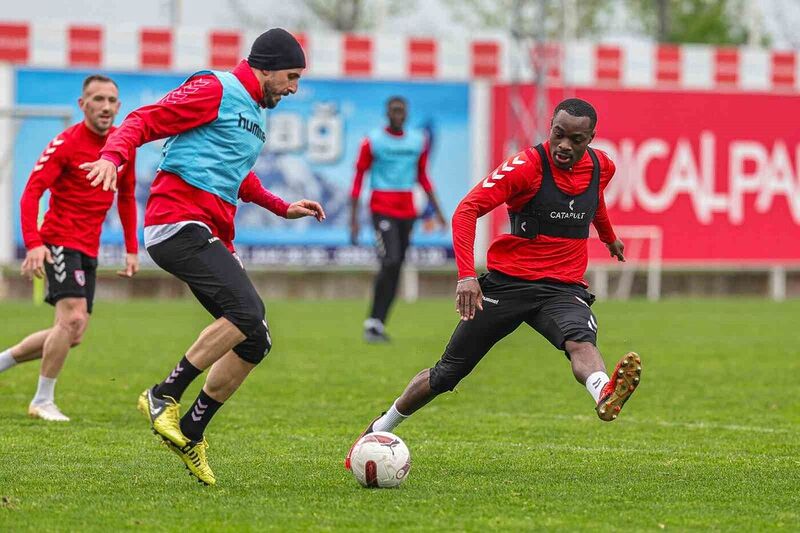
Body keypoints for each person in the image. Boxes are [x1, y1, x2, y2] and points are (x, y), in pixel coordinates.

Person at [80, 28, 325, 486]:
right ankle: (162, 395)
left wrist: (281, 206)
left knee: (255, 340)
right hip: (177, 222)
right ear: (266, 67)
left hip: (210, 231)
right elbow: (142, 120)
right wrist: (113, 156)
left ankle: (191, 431)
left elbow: (239, 176)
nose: (294, 88)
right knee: (245, 310)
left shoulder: (254, 112)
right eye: (291, 77)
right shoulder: (216, 88)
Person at [345, 98, 642, 468]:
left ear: (591, 139)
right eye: (558, 135)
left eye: (576, 139)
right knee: (445, 374)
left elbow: (593, 199)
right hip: (507, 285)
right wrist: (467, 276)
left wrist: (608, 237)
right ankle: (379, 427)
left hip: (563, 287)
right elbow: (467, 210)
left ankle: (604, 392)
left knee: (580, 340)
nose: (565, 145)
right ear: (550, 128)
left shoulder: (602, 167)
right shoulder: (526, 167)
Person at [0, 75, 139, 422]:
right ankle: (42, 400)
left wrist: (132, 248)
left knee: (72, 333)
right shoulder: (64, 143)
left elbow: (126, 196)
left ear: (119, 106)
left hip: (88, 247)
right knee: (72, 317)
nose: (105, 107)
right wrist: (34, 244)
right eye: (97, 99)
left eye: (111, 100)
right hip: (59, 240)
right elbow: (31, 192)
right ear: (83, 105)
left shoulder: (124, 146)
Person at [349, 96, 447, 343]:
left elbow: (423, 177)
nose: (397, 114)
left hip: (408, 211)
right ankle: (372, 320)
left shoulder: (417, 141)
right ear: (387, 113)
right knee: (390, 261)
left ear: (406, 114)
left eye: (401, 111)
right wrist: (353, 219)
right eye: (393, 110)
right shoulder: (373, 141)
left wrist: (438, 212)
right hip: (382, 208)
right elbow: (359, 178)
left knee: (396, 266)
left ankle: (377, 324)